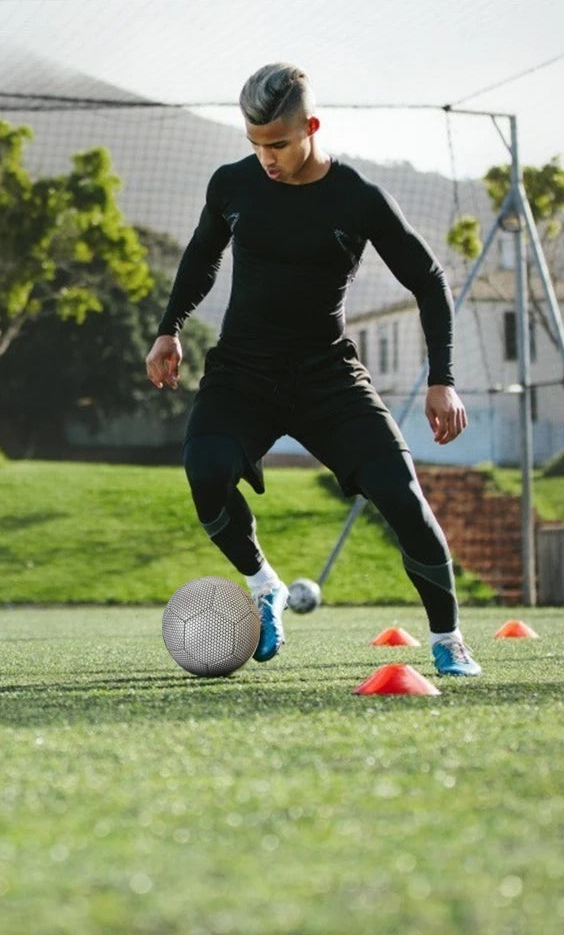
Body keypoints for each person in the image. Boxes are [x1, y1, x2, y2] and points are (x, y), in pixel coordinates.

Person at [145, 62, 481, 676]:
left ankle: (448, 639)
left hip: (329, 376)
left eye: (278, 143)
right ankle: (263, 585)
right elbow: (201, 257)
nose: (266, 157)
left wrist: (443, 379)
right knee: (205, 469)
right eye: (255, 143)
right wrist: (168, 329)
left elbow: (430, 280)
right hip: (244, 371)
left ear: (311, 128)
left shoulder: (358, 198)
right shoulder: (232, 186)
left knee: (405, 500)